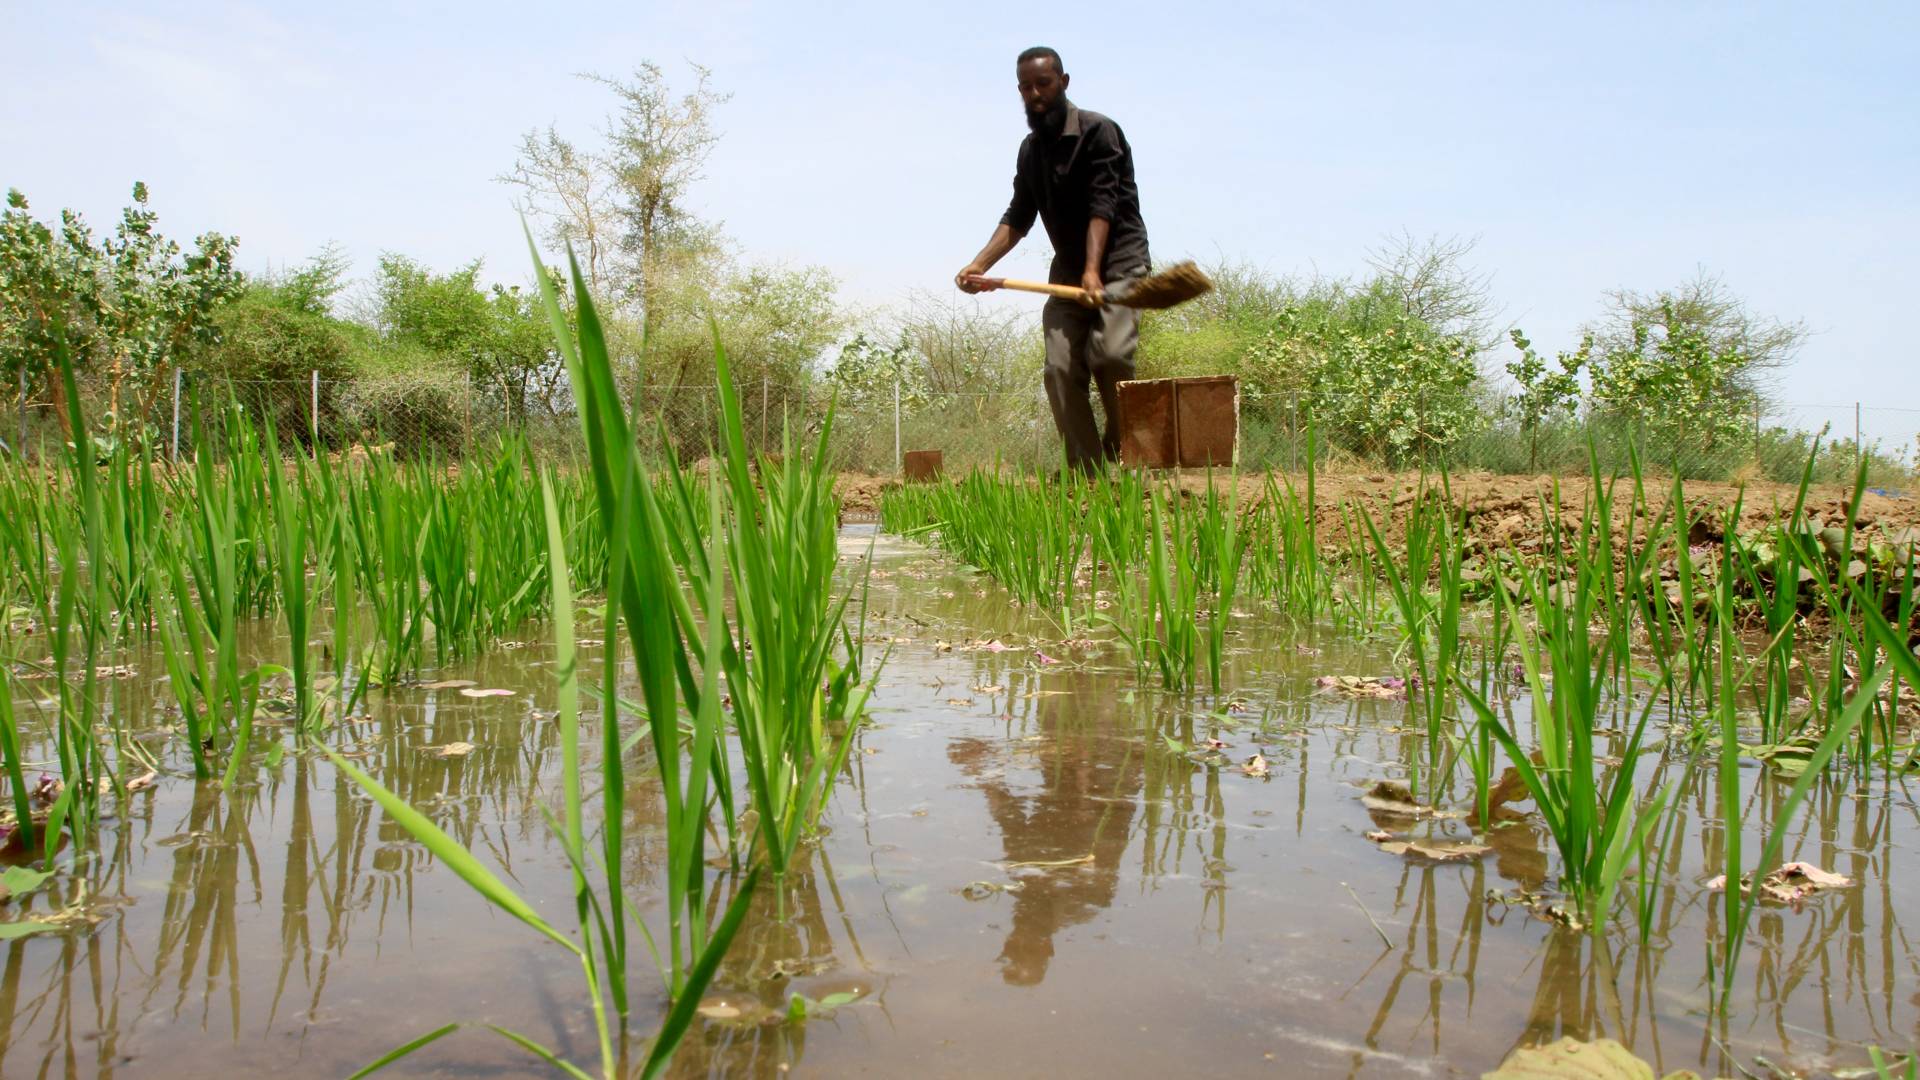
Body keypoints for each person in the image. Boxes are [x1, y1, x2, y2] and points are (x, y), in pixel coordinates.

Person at [955, 46, 1151, 472]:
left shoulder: (1100, 132)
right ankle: (1088, 472)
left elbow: (1104, 205)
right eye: (1025, 87)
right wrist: (979, 265)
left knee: (1110, 353)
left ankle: (1120, 441)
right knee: (1059, 368)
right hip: (1068, 272)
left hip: (1118, 264)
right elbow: (1018, 216)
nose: (1035, 93)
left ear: (1063, 82)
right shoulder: (1030, 151)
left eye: (1043, 84)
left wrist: (1093, 272)